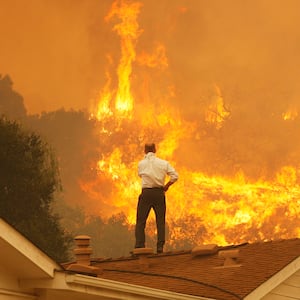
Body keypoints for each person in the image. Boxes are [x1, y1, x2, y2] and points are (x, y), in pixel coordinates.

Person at [134, 143, 178, 254]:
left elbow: (140, 175)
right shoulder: (164, 163)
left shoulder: (141, 164)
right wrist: (167, 186)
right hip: (159, 193)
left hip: (146, 193)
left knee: (140, 221)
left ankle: (139, 246)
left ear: (145, 150)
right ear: (155, 150)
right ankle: (160, 247)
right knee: (160, 221)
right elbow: (175, 176)